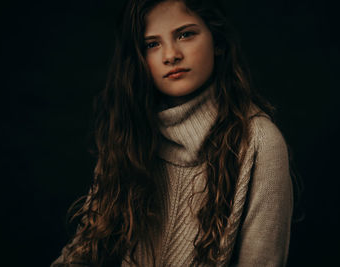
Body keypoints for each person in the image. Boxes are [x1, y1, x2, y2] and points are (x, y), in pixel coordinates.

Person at [51, 0, 302, 266]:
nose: (170, 55)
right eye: (152, 44)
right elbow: (83, 251)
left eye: (185, 34)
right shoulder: (130, 135)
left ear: (217, 42)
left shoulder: (259, 141)